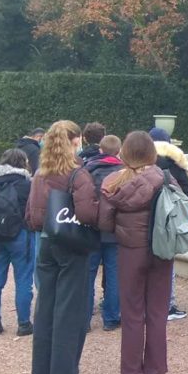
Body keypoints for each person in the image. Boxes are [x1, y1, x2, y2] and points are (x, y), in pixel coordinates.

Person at [24, 120, 99, 374]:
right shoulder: (78, 175)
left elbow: (32, 215)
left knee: (45, 307)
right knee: (70, 310)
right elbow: (88, 214)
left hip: (45, 243)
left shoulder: (40, 174)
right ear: (77, 141)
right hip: (70, 245)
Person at [98, 131, 173, 374]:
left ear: (125, 153)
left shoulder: (113, 181)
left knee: (132, 314)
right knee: (157, 312)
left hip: (130, 251)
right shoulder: (164, 177)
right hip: (161, 250)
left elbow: (104, 222)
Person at [0, 148, 35, 337]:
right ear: (23, 163)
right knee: (23, 280)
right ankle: (24, 323)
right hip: (20, 234)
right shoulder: (26, 184)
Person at [150, 126, 188, 321]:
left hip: (144, 218)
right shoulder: (175, 163)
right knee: (167, 262)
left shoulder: (141, 161)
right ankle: (168, 305)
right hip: (168, 218)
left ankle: (149, 303)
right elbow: (187, 192)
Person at [84, 134, 123, 332]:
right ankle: (111, 317)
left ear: (100, 150)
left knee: (88, 274)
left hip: (91, 227)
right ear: (119, 151)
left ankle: (84, 319)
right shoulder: (123, 172)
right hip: (114, 228)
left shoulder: (87, 170)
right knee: (114, 273)